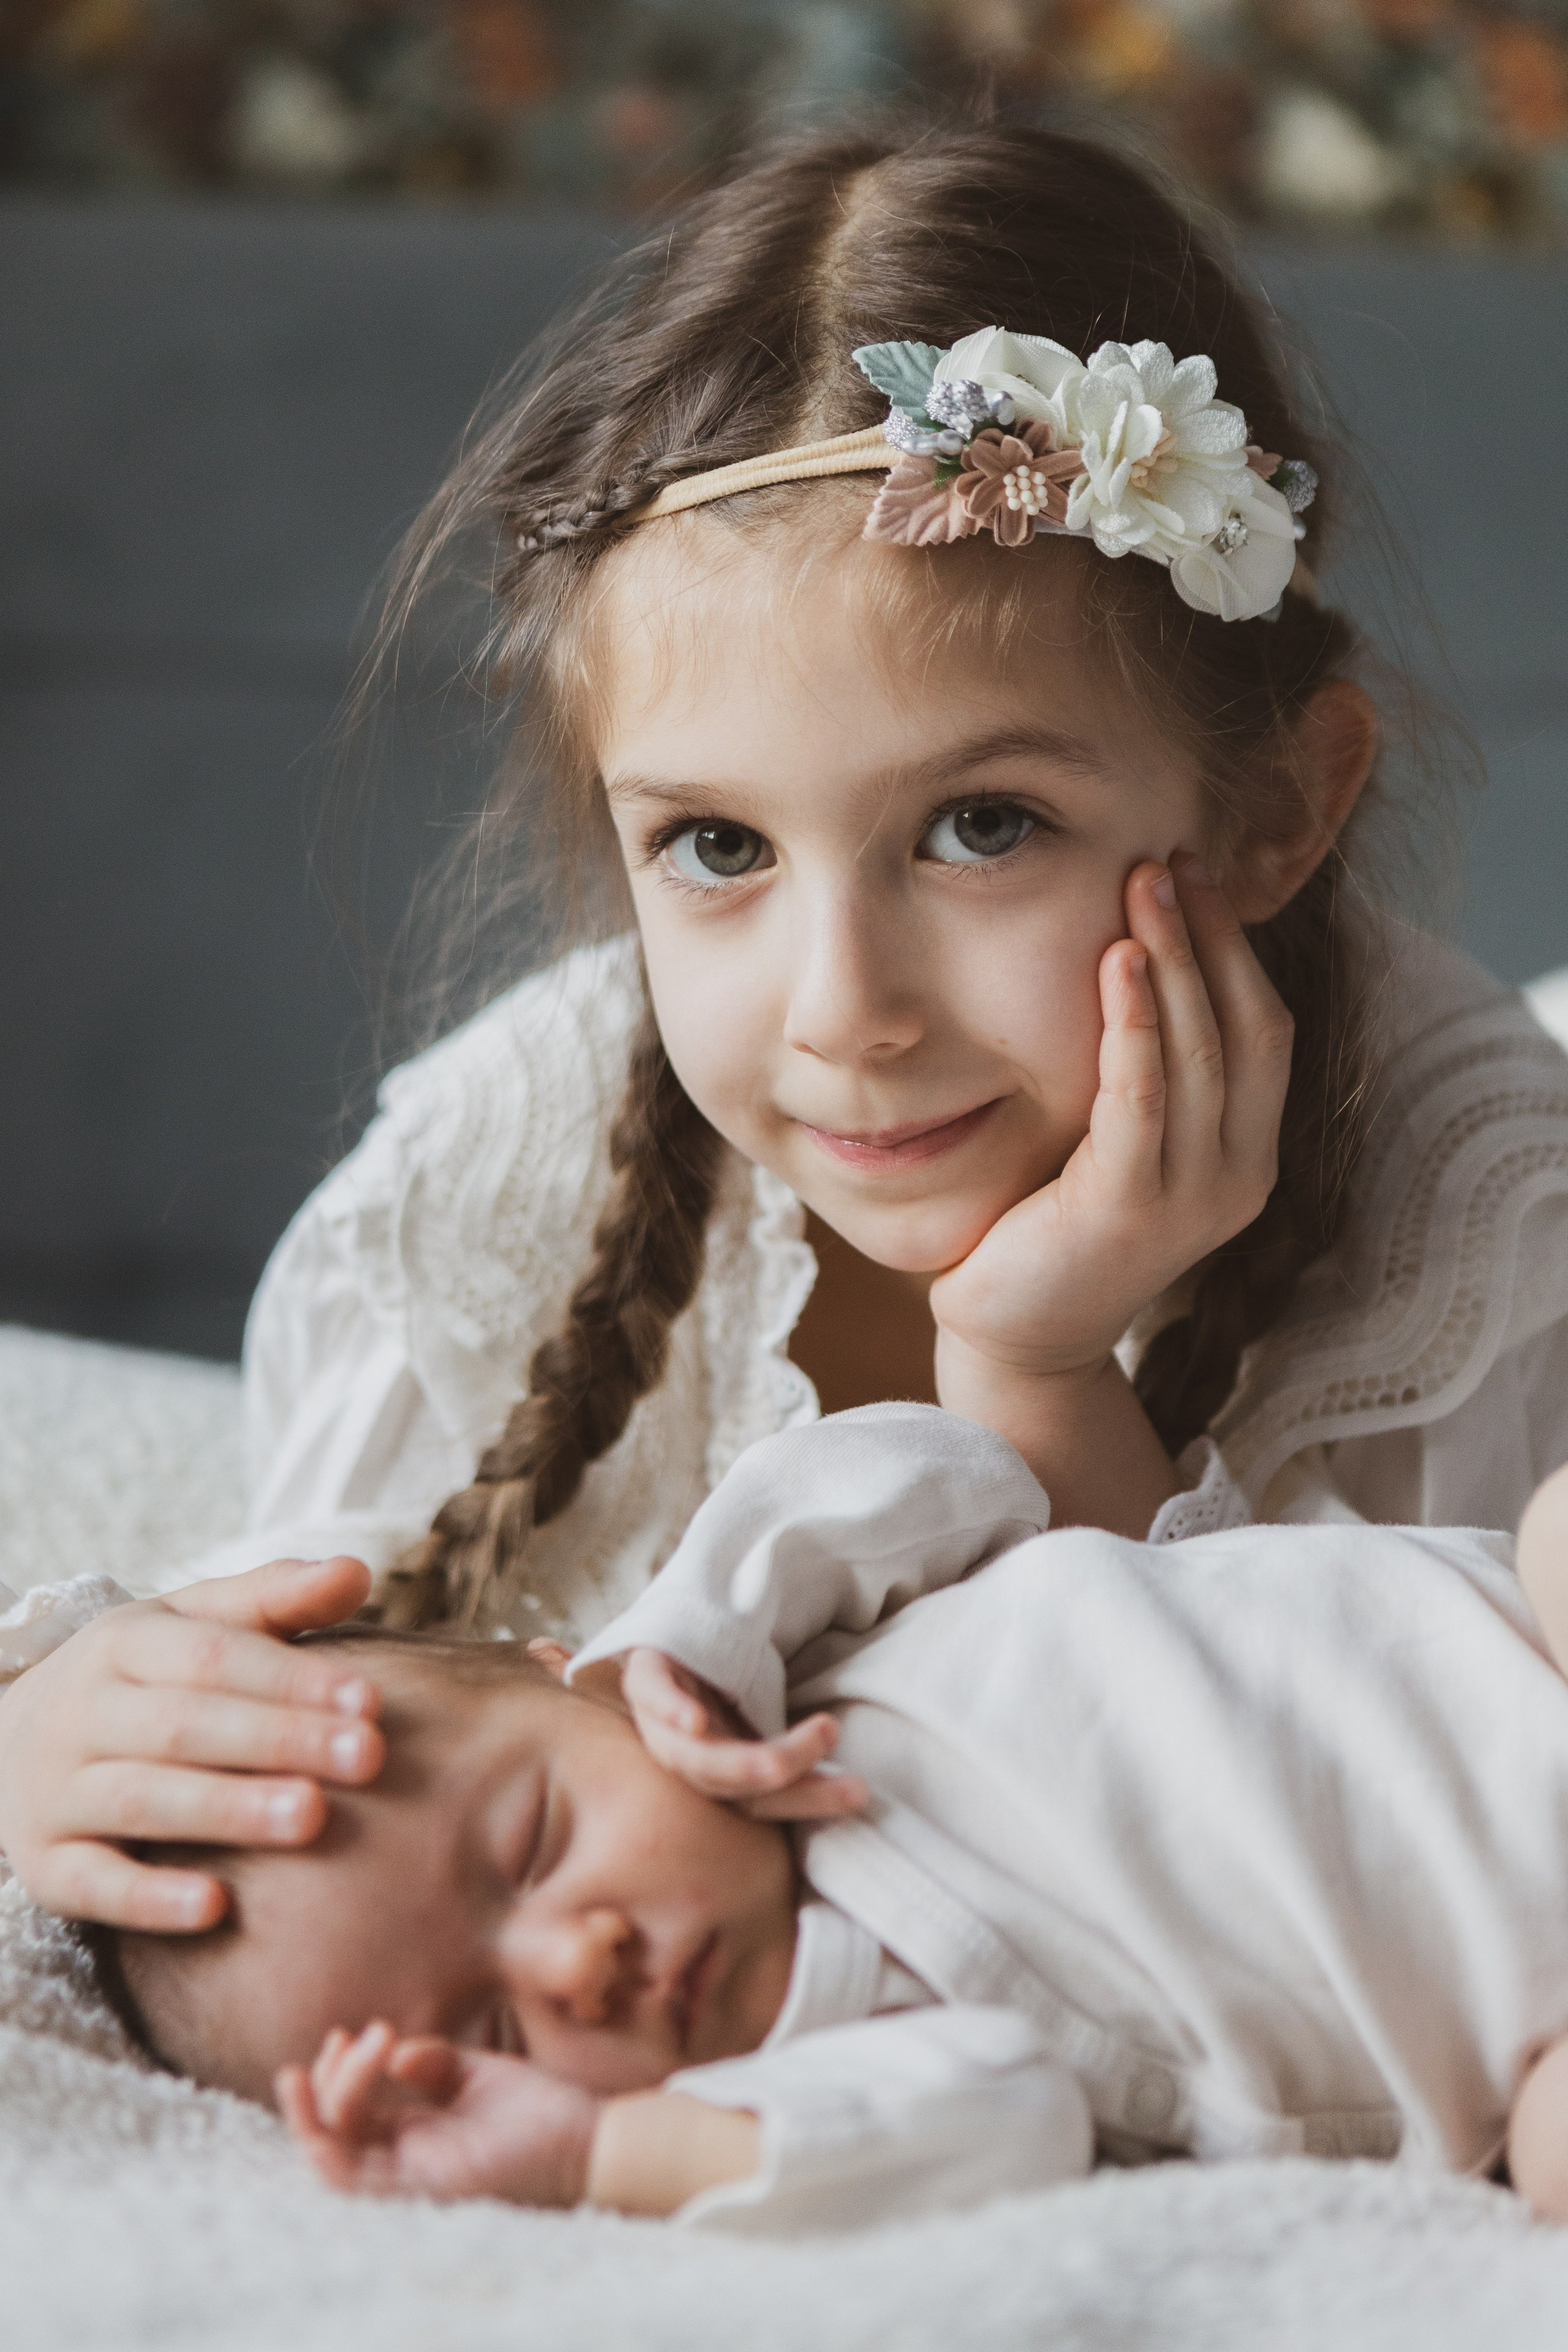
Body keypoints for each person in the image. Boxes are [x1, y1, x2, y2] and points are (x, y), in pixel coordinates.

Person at [3, 121, 1568, 1940]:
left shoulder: (1484, 1259)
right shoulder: (497, 1187)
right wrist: (55, 1728)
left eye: (983, 825)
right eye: (718, 847)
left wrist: (1038, 1371)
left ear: (1281, 811)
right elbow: (306, 1747)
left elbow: (1252, 1912)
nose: (845, 1013)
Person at [85, 1411, 1568, 2233]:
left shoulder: (786, 1666)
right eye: (489, 2034)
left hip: (1515, 1637)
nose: (573, 1963)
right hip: (1528, 2024)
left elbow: (954, 1469)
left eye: (534, 1845)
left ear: (577, 1686)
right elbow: (1007, 2116)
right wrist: (592, 2155)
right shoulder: (814, 2065)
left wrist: (693, 1638)